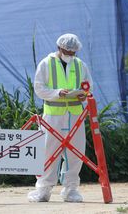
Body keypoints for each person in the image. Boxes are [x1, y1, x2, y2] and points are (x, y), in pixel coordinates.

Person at [27, 33, 92, 203]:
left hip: (75, 116)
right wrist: (57, 93)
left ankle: (71, 190)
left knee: (75, 153)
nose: (70, 55)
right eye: (67, 51)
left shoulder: (80, 65)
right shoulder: (46, 64)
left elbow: (88, 85)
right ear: (60, 48)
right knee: (48, 152)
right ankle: (43, 190)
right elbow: (39, 88)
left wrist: (83, 95)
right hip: (53, 117)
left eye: (73, 52)